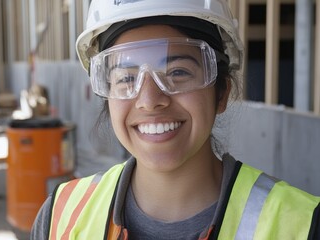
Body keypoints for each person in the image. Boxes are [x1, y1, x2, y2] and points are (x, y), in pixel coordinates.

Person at [32, 0, 320, 239]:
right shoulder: (59, 217)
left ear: (221, 93)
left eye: (178, 72)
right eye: (127, 78)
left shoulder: (302, 225)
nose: (149, 100)